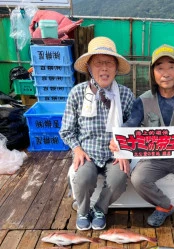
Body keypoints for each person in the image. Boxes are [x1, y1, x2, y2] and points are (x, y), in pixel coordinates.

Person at [110, 44, 174, 231]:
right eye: (160, 68)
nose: (166, 73)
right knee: (138, 178)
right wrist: (117, 138)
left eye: (171, 67)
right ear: (152, 73)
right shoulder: (142, 100)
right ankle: (165, 205)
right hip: (155, 157)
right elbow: (130, 123)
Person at [60, 37, 134, 231]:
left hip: (114, 155)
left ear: (116, 68)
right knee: (83, 178)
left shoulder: (126, 95)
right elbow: (66, 130)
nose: (104, 68)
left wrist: (124, 150)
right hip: (88, 153)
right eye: (98, 63)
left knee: (120, 177)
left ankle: (100, 208)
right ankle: (83, 210)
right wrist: (76, 149)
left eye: (109, 63)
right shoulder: (77, 93)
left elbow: (133, 127)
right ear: (90, 68)